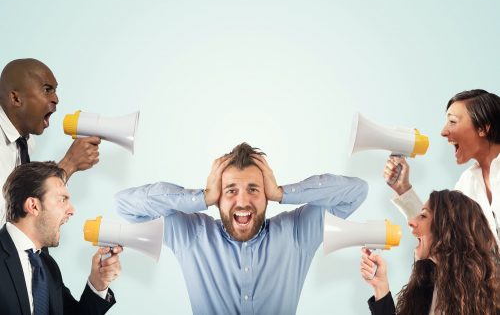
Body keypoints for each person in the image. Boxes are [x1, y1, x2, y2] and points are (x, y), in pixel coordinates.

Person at [115, 142, 368, 314]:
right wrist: (200, 197)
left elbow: (356, 192)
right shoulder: (191, 236)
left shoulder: (297, 234)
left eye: (254, 189)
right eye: (231, 191)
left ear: (266, 194)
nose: (243, 201)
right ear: (218, 199)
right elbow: (126, 205)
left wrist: (282, 193)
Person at [0, 161, 122, 314]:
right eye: (62, 199)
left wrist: (98, 283)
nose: (71, 210)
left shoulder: (48, 266)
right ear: (33, 206)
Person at [384, 89, 500, 241]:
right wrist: (403, 188)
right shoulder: (467, 184)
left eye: (452, 122)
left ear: (483, 128)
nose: (443, 131)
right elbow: (442, 236)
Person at [360, 189, 499, 315]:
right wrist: (380, 286)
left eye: (423, 216)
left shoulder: (490, 300)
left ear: (447, 230)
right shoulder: (427, 286)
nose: (411, 222)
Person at [0, 58, 101, 224]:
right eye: (47, 90)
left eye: (55, 90)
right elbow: (8, 222)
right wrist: (68, 165)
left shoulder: (25, 142)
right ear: (16, 98)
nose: (56, 99)